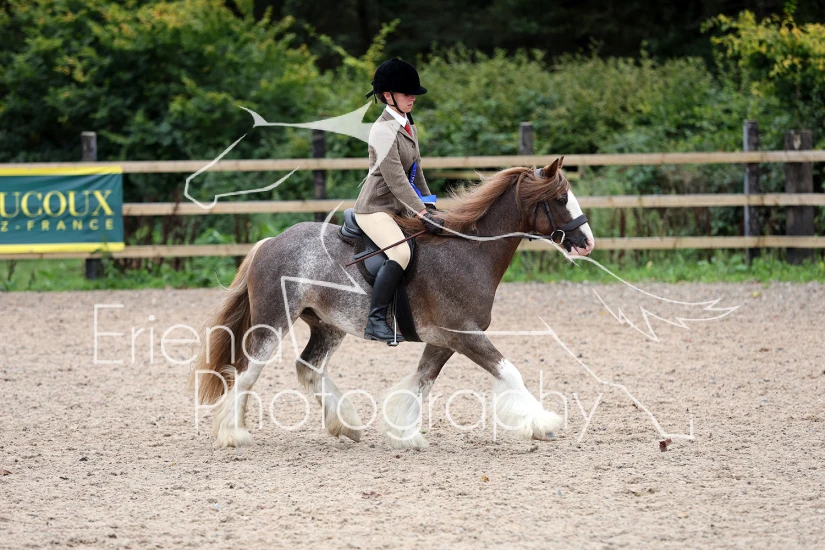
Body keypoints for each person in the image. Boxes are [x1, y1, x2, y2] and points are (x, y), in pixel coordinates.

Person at [354, 57, 444, 344]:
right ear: (388, 95)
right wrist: (420, 212)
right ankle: (375, 321)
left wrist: (430, 206)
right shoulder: (382, 130)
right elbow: (395, 179)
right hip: (375, 208)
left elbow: (416, 172)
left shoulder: (408, 125)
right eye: (407, 93)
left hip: (397, 207)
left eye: (413, 93)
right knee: (401, 253)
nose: (413, 97)